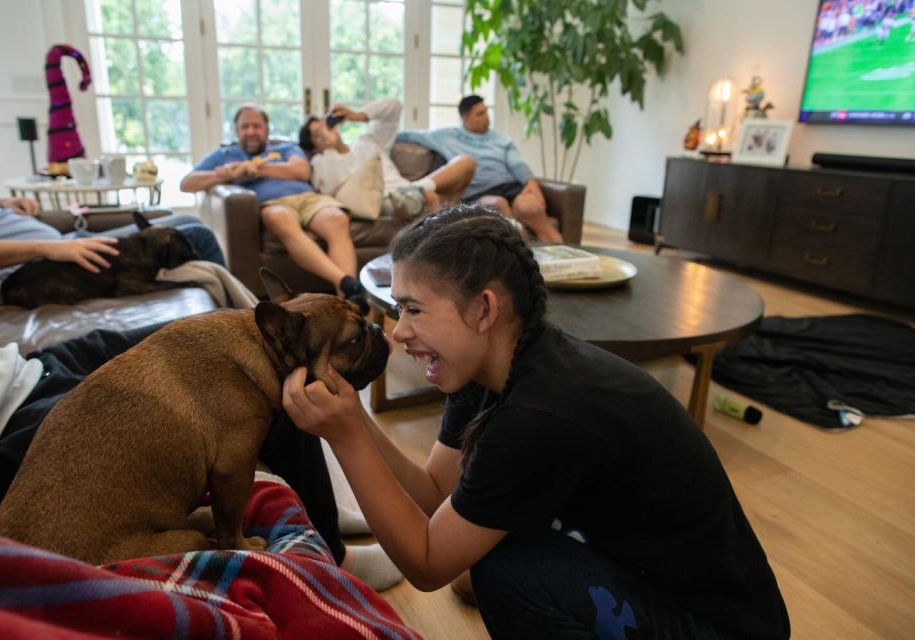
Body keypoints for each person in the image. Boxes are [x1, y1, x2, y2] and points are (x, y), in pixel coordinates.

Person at [281, 206, 791, 639]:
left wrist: (346, 437)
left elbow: (429, 564)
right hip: (635, 566)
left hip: (719, 625)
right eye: (398, 309)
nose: (400, 332)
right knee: (483, 563)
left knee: (504, 571)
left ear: (484, 309)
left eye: (414, 309)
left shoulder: (540, 413)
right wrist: (357, 420)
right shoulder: (492, 366)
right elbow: (439, 494)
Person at [0, 323, 402, 591]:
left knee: (223, 339)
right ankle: (332, 550)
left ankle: (312, 503)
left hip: (20, 369)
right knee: (274, 381)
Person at [181, 105, 367, 309]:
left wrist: (256, 169)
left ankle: (347, 304)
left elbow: (302, 171)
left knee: (337, 218)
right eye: (245, 127)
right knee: (280, 218)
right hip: (273, 204)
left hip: (307, 198)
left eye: (256, 126)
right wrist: (230, 173)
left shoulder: (286, 149)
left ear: (267, 129)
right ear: (237, 130)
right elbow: (187, 183)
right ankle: (345, 283)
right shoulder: (225, 155)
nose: (251, 131)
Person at [0, 193, 225, 299]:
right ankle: (237, 324)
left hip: (66, 243)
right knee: (197, 235)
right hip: (48, 261)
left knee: (188, 220)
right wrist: (44, 248)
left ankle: (237, 314)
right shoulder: (42, 252)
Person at [396, 95, 563, 242]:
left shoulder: (501, 139)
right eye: (480, 114)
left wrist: (531, 183)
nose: (487, 118)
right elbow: (406, 135)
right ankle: (520, 249)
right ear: (465, 118)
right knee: (498, 203)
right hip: (480, 193)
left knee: (531, 208)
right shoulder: (445, 136)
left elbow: (517, 165)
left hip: (511, 186)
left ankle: (568, 260)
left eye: (486, 112)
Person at [298, 98, 475, 217]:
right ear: (314, 147)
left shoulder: (368, 141)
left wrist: (357, 116)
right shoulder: (321, 162)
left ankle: (417, 188)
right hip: (387, 199)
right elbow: (332, 191)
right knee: (430, 198)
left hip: (407, 189)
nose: (324, 131)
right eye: (317, 134)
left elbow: (394, 106)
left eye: (323, 124)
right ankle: (422, 196)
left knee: (466, 162)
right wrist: (327, 150)